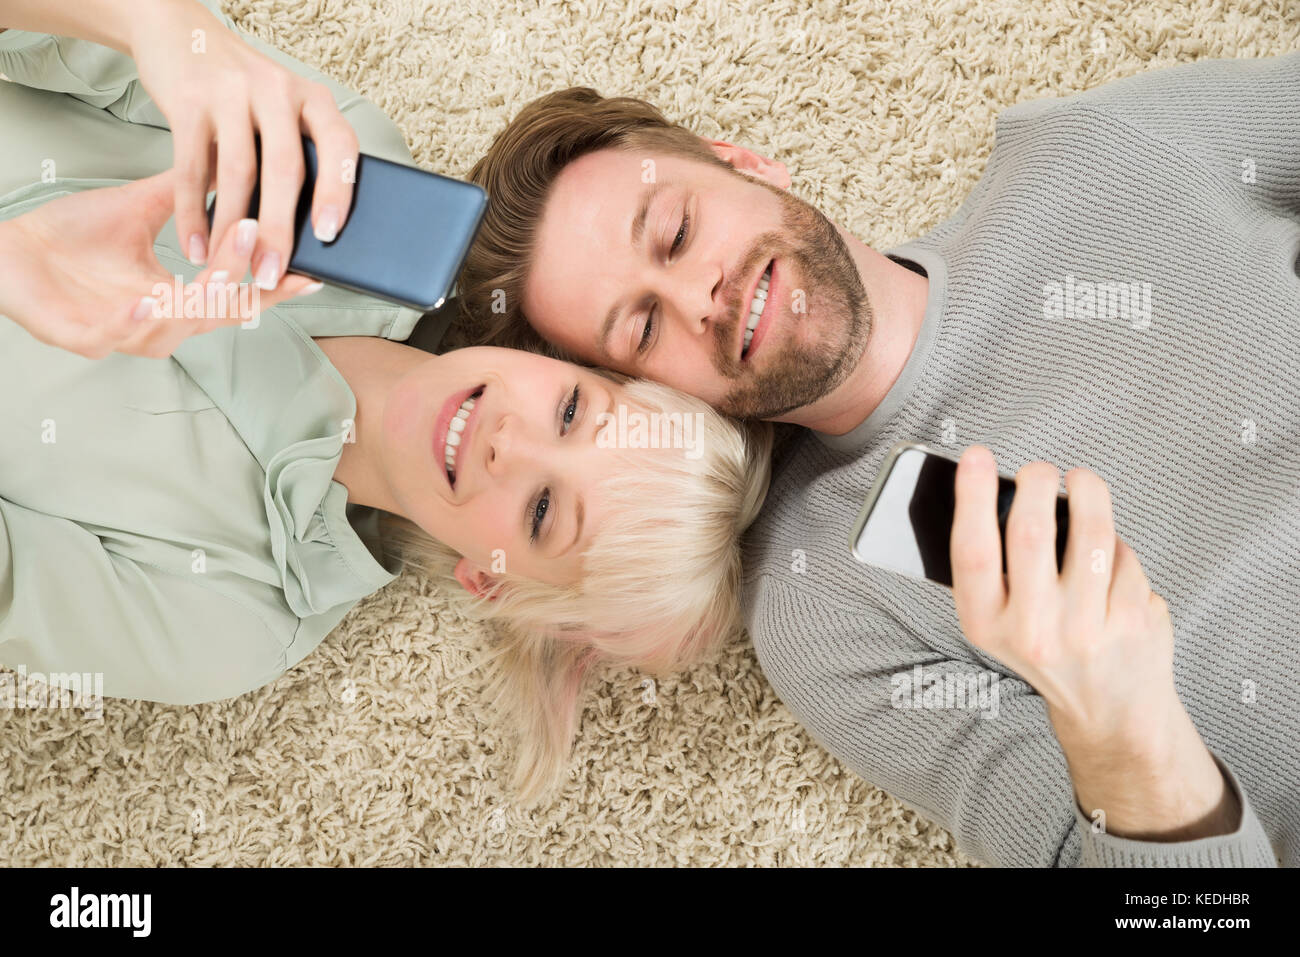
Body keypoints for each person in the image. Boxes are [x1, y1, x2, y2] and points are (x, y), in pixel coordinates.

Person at [455, 53, 1300, 864]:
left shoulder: (1085, 152)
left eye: (676, 231)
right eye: (642, 330)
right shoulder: (820, 604)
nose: (699, 300)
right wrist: (1127, 737)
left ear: (741, 161)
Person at [0, 0, 772, 803]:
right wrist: (156, 27)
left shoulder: (227, 620)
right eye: (574, 413)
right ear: (574, 360)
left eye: (543, 510)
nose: (511, 442)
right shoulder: (360, 181)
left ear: (491, 582)